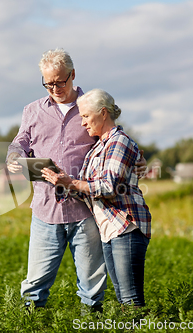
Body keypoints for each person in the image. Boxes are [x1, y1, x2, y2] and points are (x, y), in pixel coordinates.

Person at [6, 49, 147, 311]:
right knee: (35, 284)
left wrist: (137, 158)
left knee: (92, 286)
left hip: (86, 211)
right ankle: (28, 325)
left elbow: (114, 137)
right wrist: (14, 156)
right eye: (48, 83)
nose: (55, 88)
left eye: (60, 81)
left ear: (72, 75)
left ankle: (90, 323)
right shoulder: (33, 111)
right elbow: (19, 143)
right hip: (46, 210)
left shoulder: (89, 106)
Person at [41, 88, 152, 307]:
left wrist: (70, 183)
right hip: (109, 230)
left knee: (130, 300)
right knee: (123, 297)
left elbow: (108, 187)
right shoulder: (97, 147)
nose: (82, 123)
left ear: (103, 113)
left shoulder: (119, 142)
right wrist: (60, 182)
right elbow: (89, 189)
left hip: (126, 226)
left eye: (85, 116)